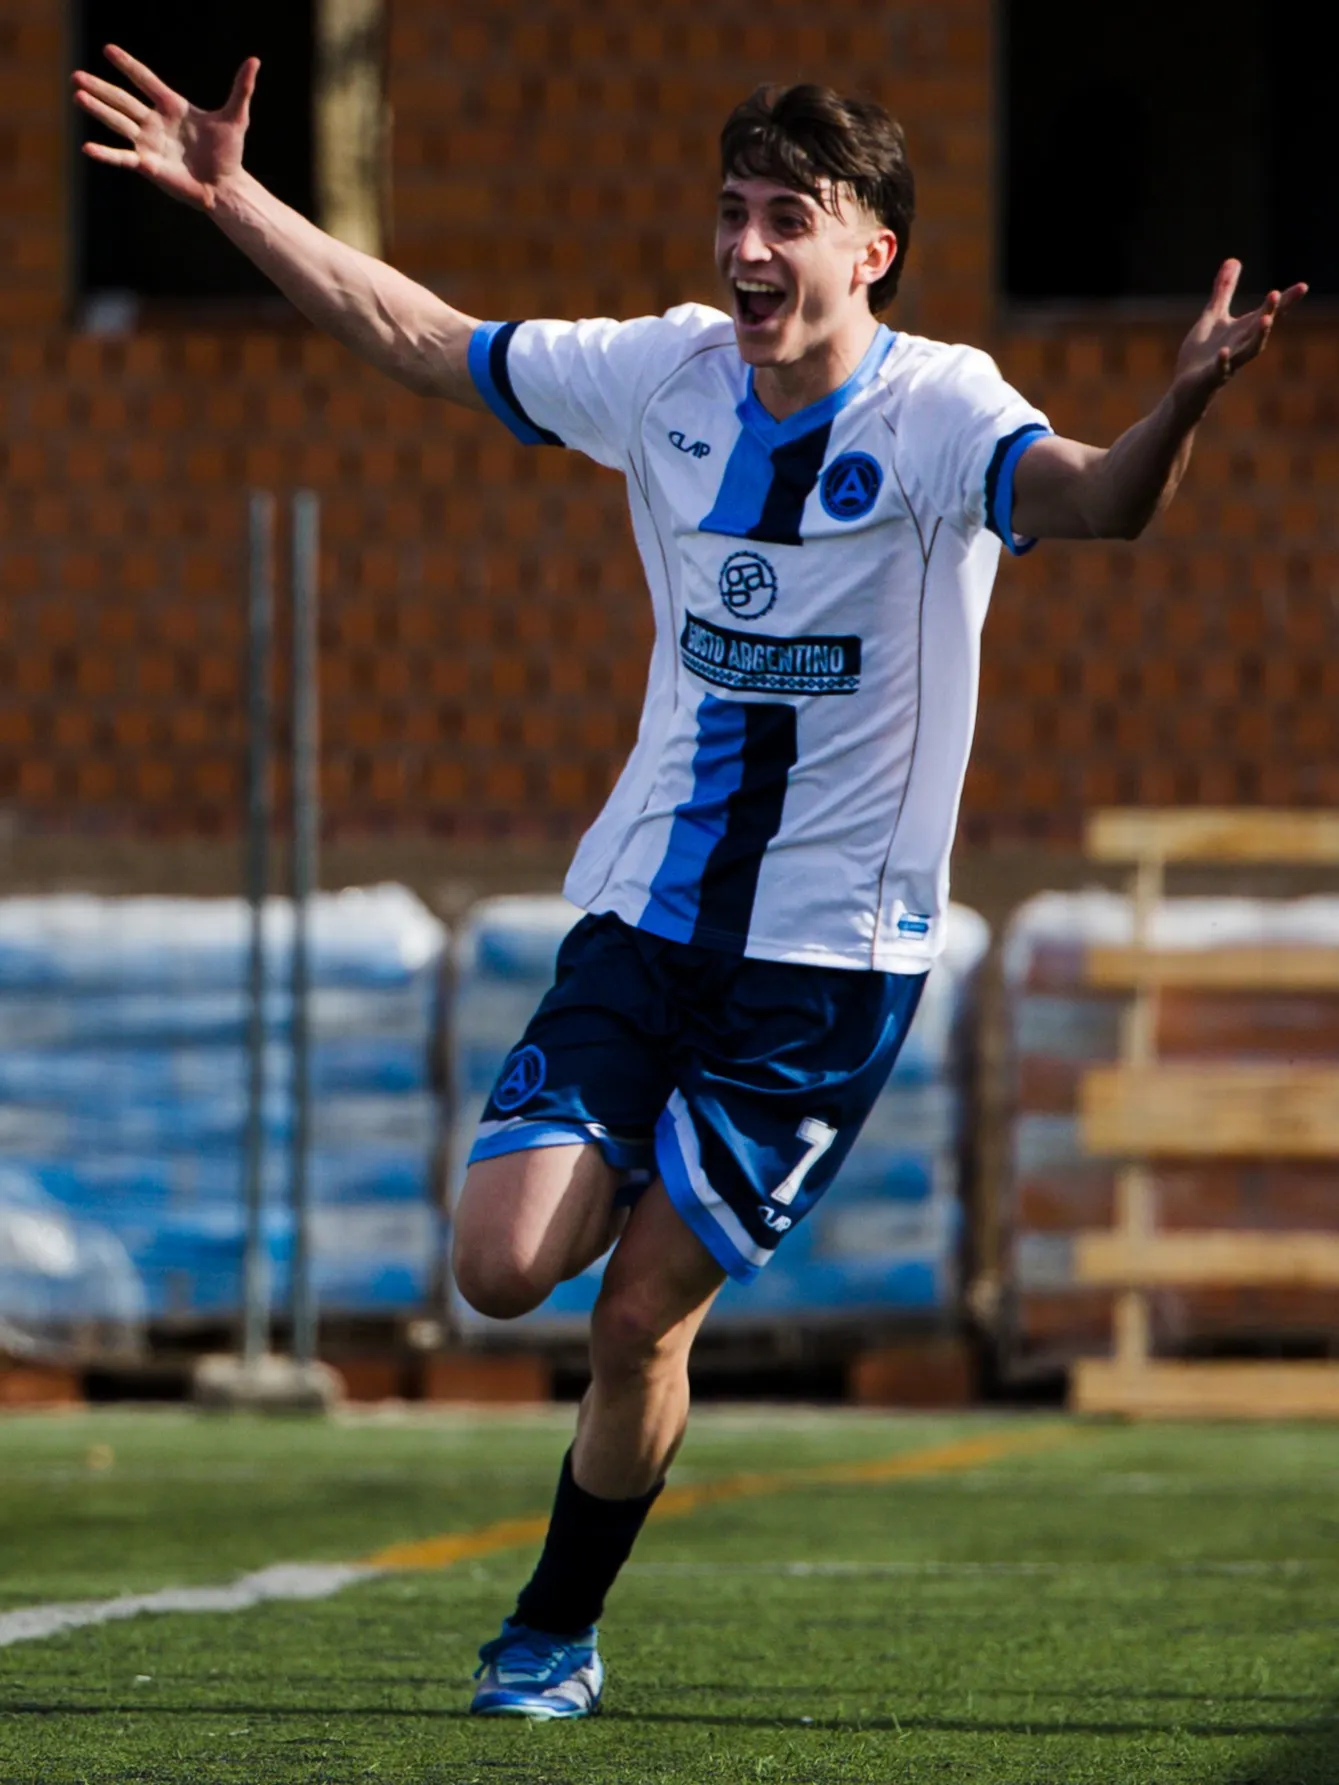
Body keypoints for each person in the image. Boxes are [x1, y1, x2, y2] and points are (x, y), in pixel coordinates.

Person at [73, 48, 1305, 1721]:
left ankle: (551, 1632)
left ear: (869, 250)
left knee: (638, 1312)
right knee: (499, 1266)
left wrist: (1178, 405)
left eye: (785, 216)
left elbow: (1094, 502)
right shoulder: (663, 374)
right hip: (644, 917)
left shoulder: (938, 409)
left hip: (823, 967)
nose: (745, 245)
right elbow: (430, 342)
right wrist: (237, 200)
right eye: (731, 210)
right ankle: (609, 1288)